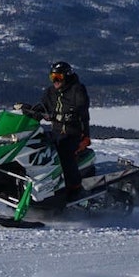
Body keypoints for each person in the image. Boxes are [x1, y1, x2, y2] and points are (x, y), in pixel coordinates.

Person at [29, 61, 91, 201]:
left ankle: (75, 188)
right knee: (36, 148)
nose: (55, 81)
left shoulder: (77, 90)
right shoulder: (50, 92)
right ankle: (37, 185)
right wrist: (30, 111)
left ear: (67, 76)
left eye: (59, 77)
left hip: (73, 134)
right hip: (55, 133)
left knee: (64, 153)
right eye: (53, 77)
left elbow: (82, 111)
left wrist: (85, 135)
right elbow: (42, 106)